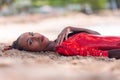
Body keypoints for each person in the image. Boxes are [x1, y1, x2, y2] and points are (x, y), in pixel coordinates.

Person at [4, 26, 120, 59]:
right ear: (33, 51)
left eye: (32, 33)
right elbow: (105, 54)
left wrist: (71, 28)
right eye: (30, 41)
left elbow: (97, 35)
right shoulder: (64, 49)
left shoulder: (63, 36)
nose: (37, 37)